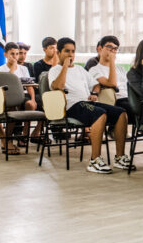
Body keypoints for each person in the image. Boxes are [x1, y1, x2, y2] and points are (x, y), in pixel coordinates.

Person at [49, 37, 133, 173]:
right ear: (58, 53)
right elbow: (58, 86)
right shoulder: (54, 70)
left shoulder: (80, 70)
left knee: (121, 112)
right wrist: (65, 66)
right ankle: (94, 160)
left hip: (87, 102)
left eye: (73, 51)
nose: (70, 55)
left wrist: (94, 92)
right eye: (67, 51)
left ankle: (120, 157)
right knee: (99, 114)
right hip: (71, 106)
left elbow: (95, 84)